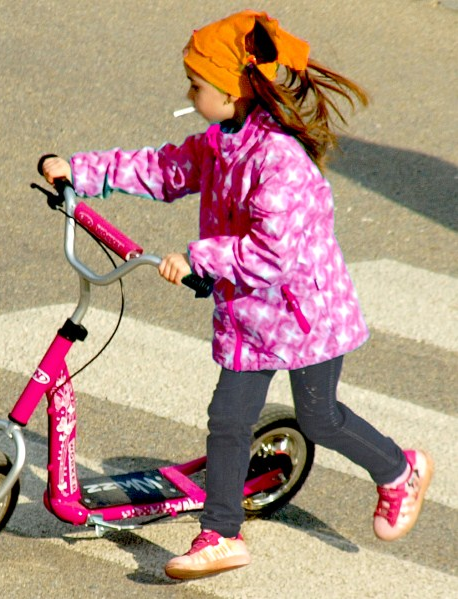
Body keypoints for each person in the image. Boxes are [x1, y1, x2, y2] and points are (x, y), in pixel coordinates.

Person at [41, 9, 433, 580]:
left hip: (305, 318)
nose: (189, 92)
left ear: (232, 91)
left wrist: (198, 258)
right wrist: (79, 170)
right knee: (227, 419)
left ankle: (400, 471)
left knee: (320, 417)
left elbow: (271, 255)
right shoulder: (221, 142)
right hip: (251, 317)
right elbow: (164, 169)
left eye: (196, 85)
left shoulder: (281, 163)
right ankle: (221, 534)